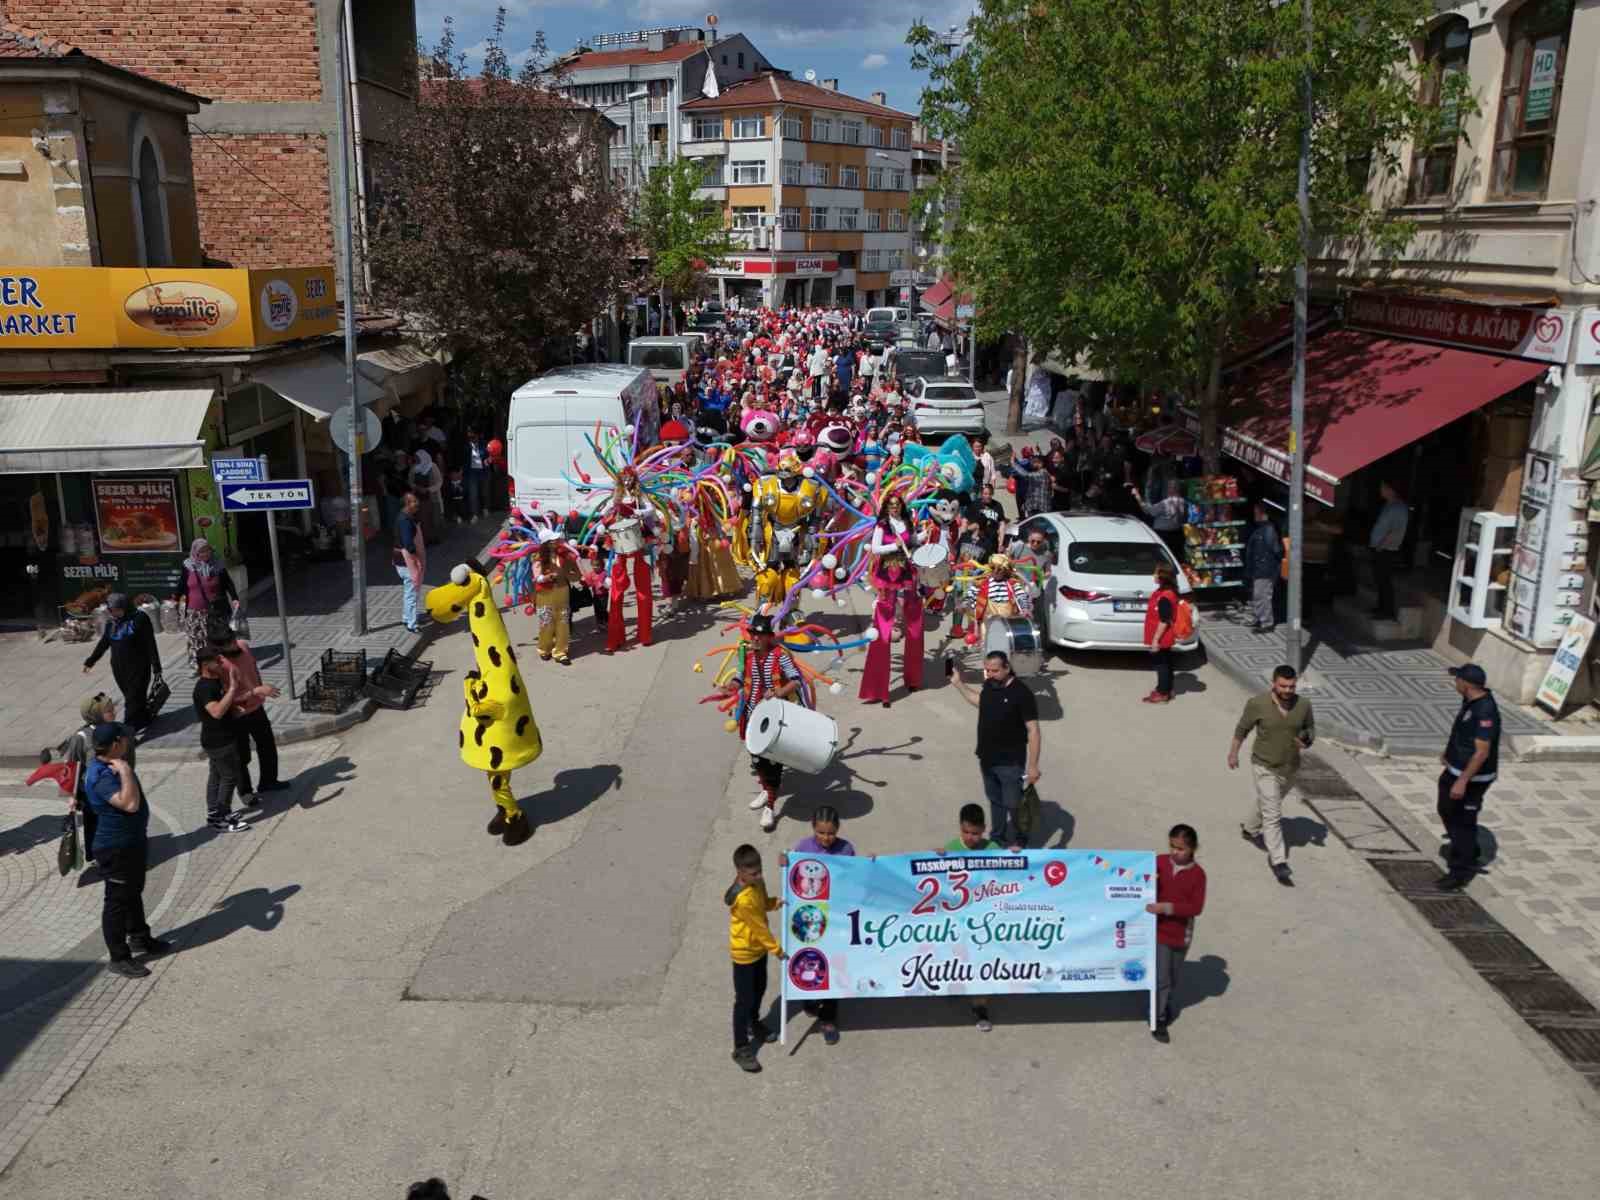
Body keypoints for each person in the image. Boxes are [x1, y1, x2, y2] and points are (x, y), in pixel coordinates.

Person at [83, 722, 171, 978]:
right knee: (117, 902)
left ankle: (140, 938)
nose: (128, 742)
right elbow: (129, 804)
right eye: (124, 739)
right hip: (115, 848)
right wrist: (125, 771)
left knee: (133, 892)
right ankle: (119, 957)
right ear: (115, 744)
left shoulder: (110, 765)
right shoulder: (102, 774)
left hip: (131, 843)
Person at [1229, 664, 1314, 887]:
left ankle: (1249, 829)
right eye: (1283, 686)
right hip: (1264, 765)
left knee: (1269, 803)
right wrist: (1233, 753)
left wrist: (1306, 740)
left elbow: (1310, 729)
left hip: (1290, 767)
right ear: (1273, 683)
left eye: (1292, 686)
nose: (1288, 690)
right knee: (1273, 814)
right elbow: (1242, 729)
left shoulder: (1304, 705)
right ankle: (1278, 861)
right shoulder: (1258, 704)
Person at [950, 650, 1041, 848]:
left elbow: (1033, 730)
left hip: (1010, 762)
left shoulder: (1022, 693)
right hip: (987, 758)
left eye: (995, 671)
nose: (990, 674)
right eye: (987, 670)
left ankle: (1020, 839)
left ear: (1007, 668)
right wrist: (959, 684)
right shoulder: (990, 685)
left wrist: (1033, 765)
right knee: (995, 801)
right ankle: (998, 839)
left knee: (1013, 803)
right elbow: (981, 702)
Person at [732, 614, 806, 832]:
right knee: (756, 758)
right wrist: (731, 686)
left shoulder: (780, 656)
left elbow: (796, 680)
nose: (755, 638)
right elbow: (739, 677)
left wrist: (778, 693)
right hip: (751, 715)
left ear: (768, 637)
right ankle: (766, 790)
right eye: (752, 634)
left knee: (773, 762)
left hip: (775, 718)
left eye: (760, 635)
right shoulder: (746, 655)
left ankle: (770, 807)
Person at [787, 805, 854, 1044]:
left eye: (831, 833)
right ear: (813, 828)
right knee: (810, 960)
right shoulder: (803, 848)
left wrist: (870, 864)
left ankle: (828, 1019)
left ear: (838, 829)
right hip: (809, 919)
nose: (826, 838)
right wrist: (785, 863)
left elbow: (855, 878)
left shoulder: (846, 849)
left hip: (836, 919)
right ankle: (809, 998)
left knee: (834, 966)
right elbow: (793, 878)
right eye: (821, 833)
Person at [942, 802, 1009, 1031]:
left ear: (984, 830)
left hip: (985, 919)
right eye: (966, 832)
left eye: (976, 833)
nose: (971, 838)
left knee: (983, 961)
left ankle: (980, 1007)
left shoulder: (993, 848)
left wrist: (1017, 856)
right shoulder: (951, 848)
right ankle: (955, 985)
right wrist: (935, 858)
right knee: (959, 957)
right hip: (959, 917)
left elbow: (1010, 873)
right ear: (960, 828)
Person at [1437, 663, 1500, 891]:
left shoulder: (1485, 711)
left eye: (1457, 679)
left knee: (1463, 823)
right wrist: (1449, 754)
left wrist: (1463, 781)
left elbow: (1482, 752)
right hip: (1455, 769)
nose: (1455, 682)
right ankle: (1468, 849)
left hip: (1473, 779)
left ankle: (1460, 872)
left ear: (1466, 683)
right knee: (1446, 809)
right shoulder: (1471, 700)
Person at [725, 843, 785, 1073]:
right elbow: (759, 927)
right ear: (740, 872)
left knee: (759, 988)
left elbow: (763, 904)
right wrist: (777, 950)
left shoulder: (757, 884)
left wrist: (774, 903)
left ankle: (753, 1022)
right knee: (743, 999)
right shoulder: (743, 900)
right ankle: (740, 1047)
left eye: (760, 871)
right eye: (753, 874)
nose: (758, 876)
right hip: (744, 954)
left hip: (759, 950)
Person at [1146, 822, 1206, 1043]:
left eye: (1180, 848)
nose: (1175, 852)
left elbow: (1195, 907)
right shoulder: (1158, 862)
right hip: (1158, 931)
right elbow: (1138, 880)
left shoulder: (1198, 875)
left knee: (1172, 976)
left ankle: (1163, 1002)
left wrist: (1167, 907)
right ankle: (1158, 1018)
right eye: (1172, 846)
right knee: (1161, 978)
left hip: (1181, 934)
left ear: (1193, 848)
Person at [210, 629, 286, 802]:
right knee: (241, 755)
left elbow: (253, 669)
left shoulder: (243, 646)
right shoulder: (220, 665)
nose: (233, 644)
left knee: (267, 745)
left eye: (233, 639)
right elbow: (227, 698)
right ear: (219, 647)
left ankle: (268, 781)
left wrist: (259, 689)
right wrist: (256, 691)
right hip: (237, 714)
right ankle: (245, 792)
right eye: (228, 644)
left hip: (256, 708)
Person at [82, 593, 163, 732]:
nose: (113, 613)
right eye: (111, 610)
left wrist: (156, 666)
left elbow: (150, 643)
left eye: (116, 609)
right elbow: (104, 643)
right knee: (133, 698)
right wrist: (91, 661)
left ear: (125, 607)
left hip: (138, 667)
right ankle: (143, 719)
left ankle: (127, 732)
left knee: (132, 700)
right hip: (119, 668)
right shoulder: (112, 622)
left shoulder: (140, 619)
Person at [192, 649, 252, 834]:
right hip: (219, 742)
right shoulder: (204, 688)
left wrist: (235, 708)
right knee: (229, 777)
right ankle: (223, 818)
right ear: (205, 665)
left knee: (216, 776)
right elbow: (216, 712)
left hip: (221, 738)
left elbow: (223, 704)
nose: (221, 664)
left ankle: (214, 814)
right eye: (217, 661)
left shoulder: (215, 681)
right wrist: (233, 688)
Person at [859, 552, 924, 706]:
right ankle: (877, 691)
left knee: (915, 635)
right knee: (881, 640)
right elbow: (877, 546)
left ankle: (913, 679)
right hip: (887, 576)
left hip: (911, 573)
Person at [175, 538, 238, 671]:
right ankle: (197, 666)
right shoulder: (188, 566)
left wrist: (234, 598)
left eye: (207, 550)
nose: (205, 554)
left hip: (216, 610)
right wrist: (175, 599)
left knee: (216, 638)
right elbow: (182, 584)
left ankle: (219, 665)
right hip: (194, 611)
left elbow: (228, 583)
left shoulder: (218, 565)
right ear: (195, 553)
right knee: (195, 640)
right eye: (202, 552)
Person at [1368, 480, 1409, 620]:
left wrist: (1381, 545)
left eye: (1383, 487)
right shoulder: (1389, 505)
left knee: (1384, 580)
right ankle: (1381, 607)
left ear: (1391, 489)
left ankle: (1387, 611)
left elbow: (1396, 530)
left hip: (1387, 549)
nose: (1381, 490)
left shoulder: (1399, 507)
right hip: (1379, 548)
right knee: (1379, 579)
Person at [1143, 562, 1182, 704]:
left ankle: (1162, 693)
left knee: (1161, 665)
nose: (1153, 575)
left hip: (1162, 637)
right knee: (1166, 662)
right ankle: (1167, 689)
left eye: (1156, 572)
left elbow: (1164, 620)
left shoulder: (1165, 596)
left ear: (1162, 576)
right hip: (1165, 636)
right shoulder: (1167, 592)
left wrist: (1155, 640)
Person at [1243, 502, 1283, 633]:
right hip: (1259, 568)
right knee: (1258, 595)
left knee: (1262, 595)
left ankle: (1266, 623)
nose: (1254, 515)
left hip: (1265, 569)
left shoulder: (1268, 529)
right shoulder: (1262, 528)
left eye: (1256, 512)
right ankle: (1260, 618)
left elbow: (1276, 550)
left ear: (1263, 514)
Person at [1131, 479, 1189, 562]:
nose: (1168, 489)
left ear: (1173, 489)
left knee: (1163, 559)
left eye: (1169, 487)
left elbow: (1149, 511)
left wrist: (1138, 498)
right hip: (1177, 534)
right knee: (1177, 557)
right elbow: (1185, 519)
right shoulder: (1184, 502)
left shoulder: (1166, 503)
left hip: (1164, 535)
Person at [394, 490, 426, 634]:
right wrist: (417, 558)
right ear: (407, 504)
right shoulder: (405, 521)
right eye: (413, 501)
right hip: (407, 561)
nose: (417, 503)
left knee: (409, 591)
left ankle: (407, 617)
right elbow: (408, 543)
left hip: (401, 559)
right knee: (412, 592)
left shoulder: (405, 517)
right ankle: (412, 624)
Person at [462, 425, 491, 520]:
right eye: (469, 435)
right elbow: (463, 461)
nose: (471, 437)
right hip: (471, 473)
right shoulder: (465, 446)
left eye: (473, 435)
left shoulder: (484, 444)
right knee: (473, 495)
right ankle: (474, 514)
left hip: (483, 472)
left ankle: (485, 508)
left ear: (477, 435)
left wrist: (488, 460)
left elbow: (489, 456)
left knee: (484, 492)